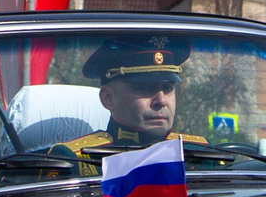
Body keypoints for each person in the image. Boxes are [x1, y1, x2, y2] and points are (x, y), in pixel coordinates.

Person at [53, 36, 206, 165]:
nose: (161, 100)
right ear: (108, 98)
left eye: (168, 88)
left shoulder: (202, 155)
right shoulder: (77, 161)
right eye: (145, 88)